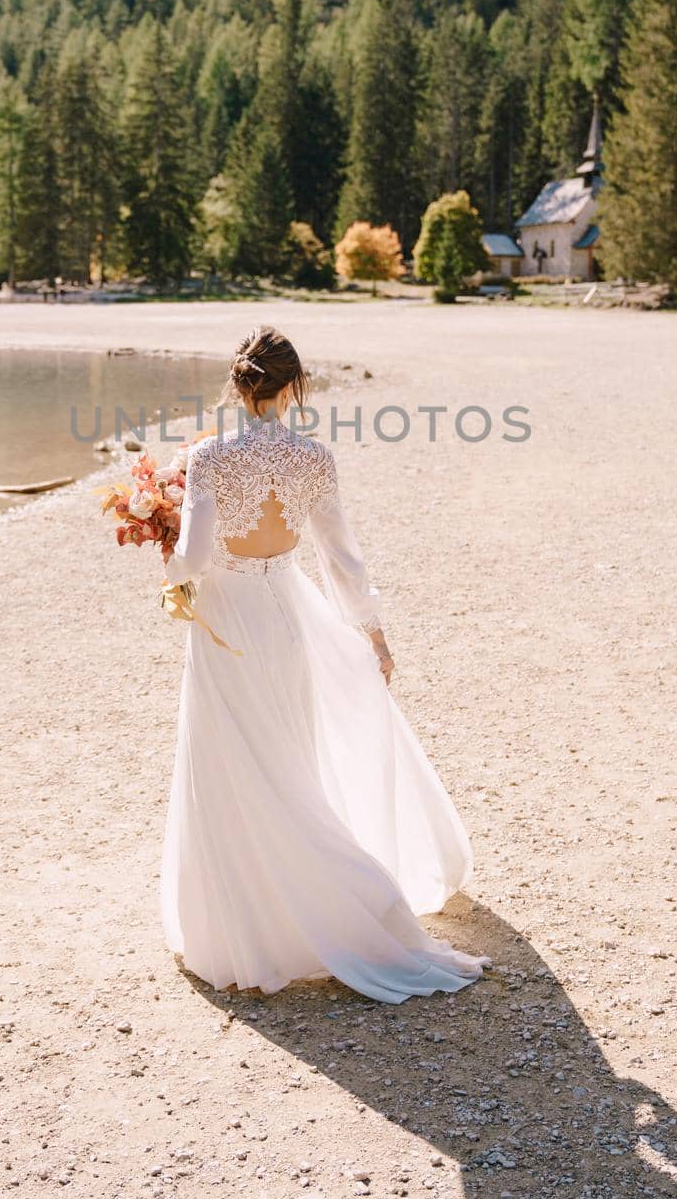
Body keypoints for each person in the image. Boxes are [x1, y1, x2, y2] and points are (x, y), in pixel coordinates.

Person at [160, 324, 490, 1003]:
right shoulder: (314, 459)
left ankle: (267, 917)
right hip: (286, 618)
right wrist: (372, 632)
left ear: (236, 384)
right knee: (288, 758)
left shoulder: (208, 458)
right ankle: (330, 903)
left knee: (233, 761)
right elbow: (340, 559)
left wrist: (168, 563)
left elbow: (193, 560)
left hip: (226, 620)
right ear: (292, 388)